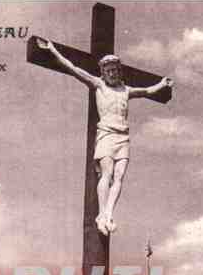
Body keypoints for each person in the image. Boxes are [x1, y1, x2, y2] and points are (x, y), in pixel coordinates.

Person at [38, 39, 172, 235]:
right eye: (108, 70)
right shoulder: (99, 84)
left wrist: (162, 84)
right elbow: (73, 68)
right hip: (107, 134)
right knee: (107, 173)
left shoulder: (126, 90)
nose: (112, 73)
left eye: (115, 70)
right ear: (103, 72)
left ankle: (109, 214)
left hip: (123, 136)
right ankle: (101, 214)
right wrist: (53, 50)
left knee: (119, 176)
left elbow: (146, 91)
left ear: (119, 71)